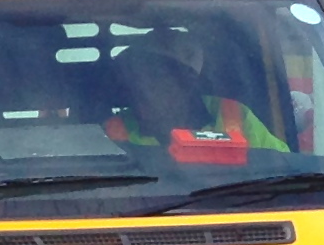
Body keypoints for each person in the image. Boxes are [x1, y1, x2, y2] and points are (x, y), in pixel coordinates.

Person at [106, 43, 287, 160]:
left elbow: (284, 166)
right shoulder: (114, 130)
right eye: (135, 77)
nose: (141, 87)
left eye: (156, 76)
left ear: (187, 82)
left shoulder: (234, 115)